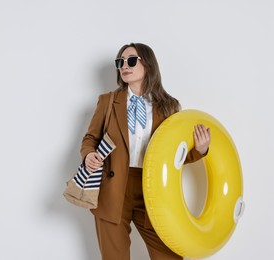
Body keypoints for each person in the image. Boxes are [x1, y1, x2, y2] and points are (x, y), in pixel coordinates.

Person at [80, 43, 211, 260]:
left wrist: (199, 150)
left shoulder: (169, 106)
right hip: (113, 189)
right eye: (120, 62)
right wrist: (88, 155)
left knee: (169, 256)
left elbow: (174, 156)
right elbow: (90, 139)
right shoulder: (108, 101)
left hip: (153, 190)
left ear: (148, 65)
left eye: (131, 60)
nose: (124, 66)